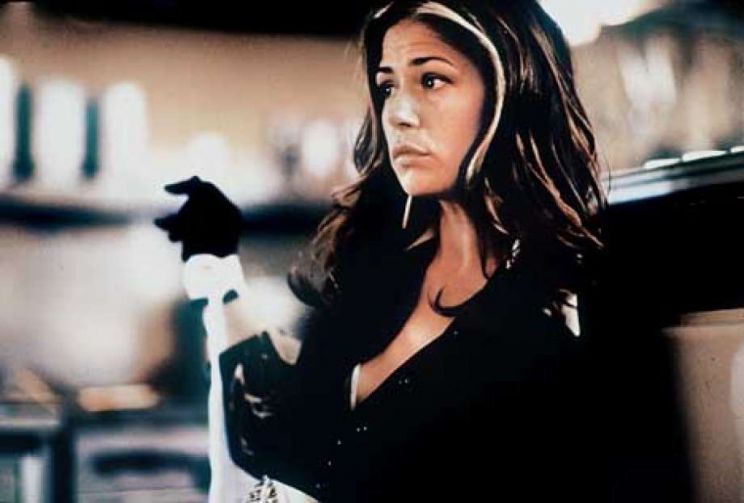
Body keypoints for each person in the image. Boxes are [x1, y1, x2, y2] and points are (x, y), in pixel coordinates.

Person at [155, 0, 609, 501]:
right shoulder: (374, 273)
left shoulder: (550, 326)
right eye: (388, 86)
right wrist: (217, 264)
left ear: (513, 92)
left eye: (431, 80)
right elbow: (287, 432)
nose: (398, 113)